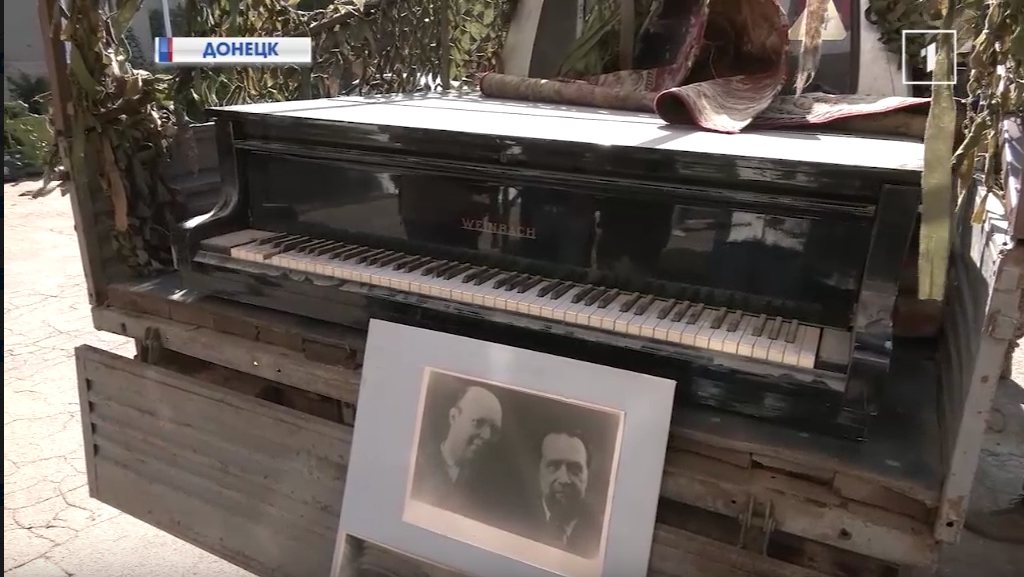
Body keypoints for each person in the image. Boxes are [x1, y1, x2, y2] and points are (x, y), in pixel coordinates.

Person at [409, 386, 504, 521]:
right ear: (453, 417)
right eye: (478, 422)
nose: (486, 435)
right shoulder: (416, 465)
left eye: (494, 430)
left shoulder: (492, 490)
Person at [520, 429, 603, 559]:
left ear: (588, 475)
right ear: (539, 471)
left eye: (575, 470)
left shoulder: (602, 532)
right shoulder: (513, 518)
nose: (564, 479)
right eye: (553, 467)